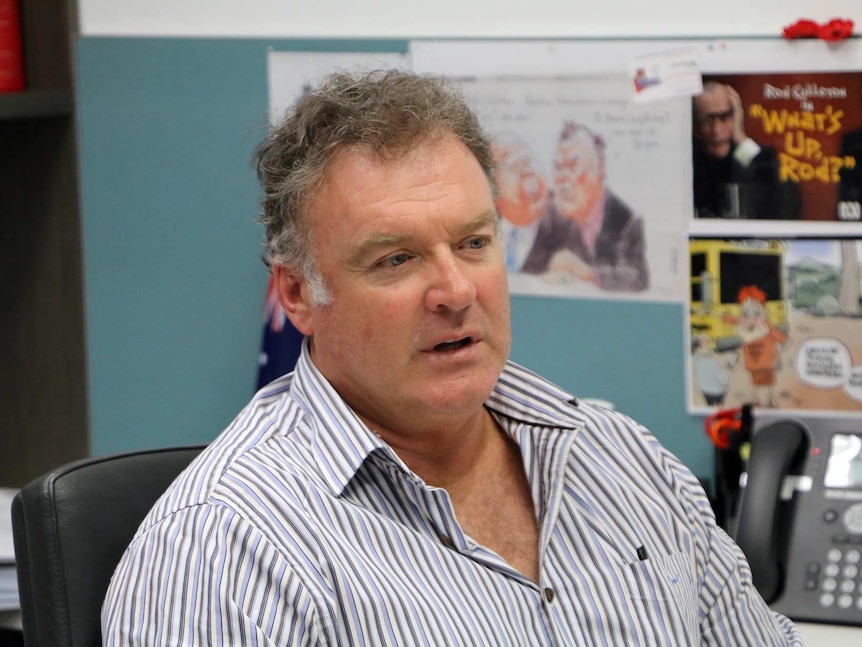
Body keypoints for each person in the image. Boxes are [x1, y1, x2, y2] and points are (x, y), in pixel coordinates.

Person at [102, 69, 801, 645]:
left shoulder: (620, 458)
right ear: (298, 293)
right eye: (396, 258)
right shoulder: (227, 549)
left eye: (473, 242)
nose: (456, 290)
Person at [521, 121, 649, 291]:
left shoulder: (626, 221)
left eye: (572, 167)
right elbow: (529, 272)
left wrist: (586, 273)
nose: (563, 178)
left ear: (599, 171)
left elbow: (638, 278)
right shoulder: (551, 212)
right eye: (558, 168)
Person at [692, 81, 799, 220]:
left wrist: (740, 139)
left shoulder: (755, 159)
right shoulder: (687, 166)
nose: (717, 130)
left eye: (725, 117)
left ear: (736, 116)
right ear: (694, 127)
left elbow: (788, 206)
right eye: (707, 120)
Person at [491, 131, 550, 271]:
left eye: (529, 162)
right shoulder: (482, 228)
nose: (530, 173)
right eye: (515, 167)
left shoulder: (564, 228)